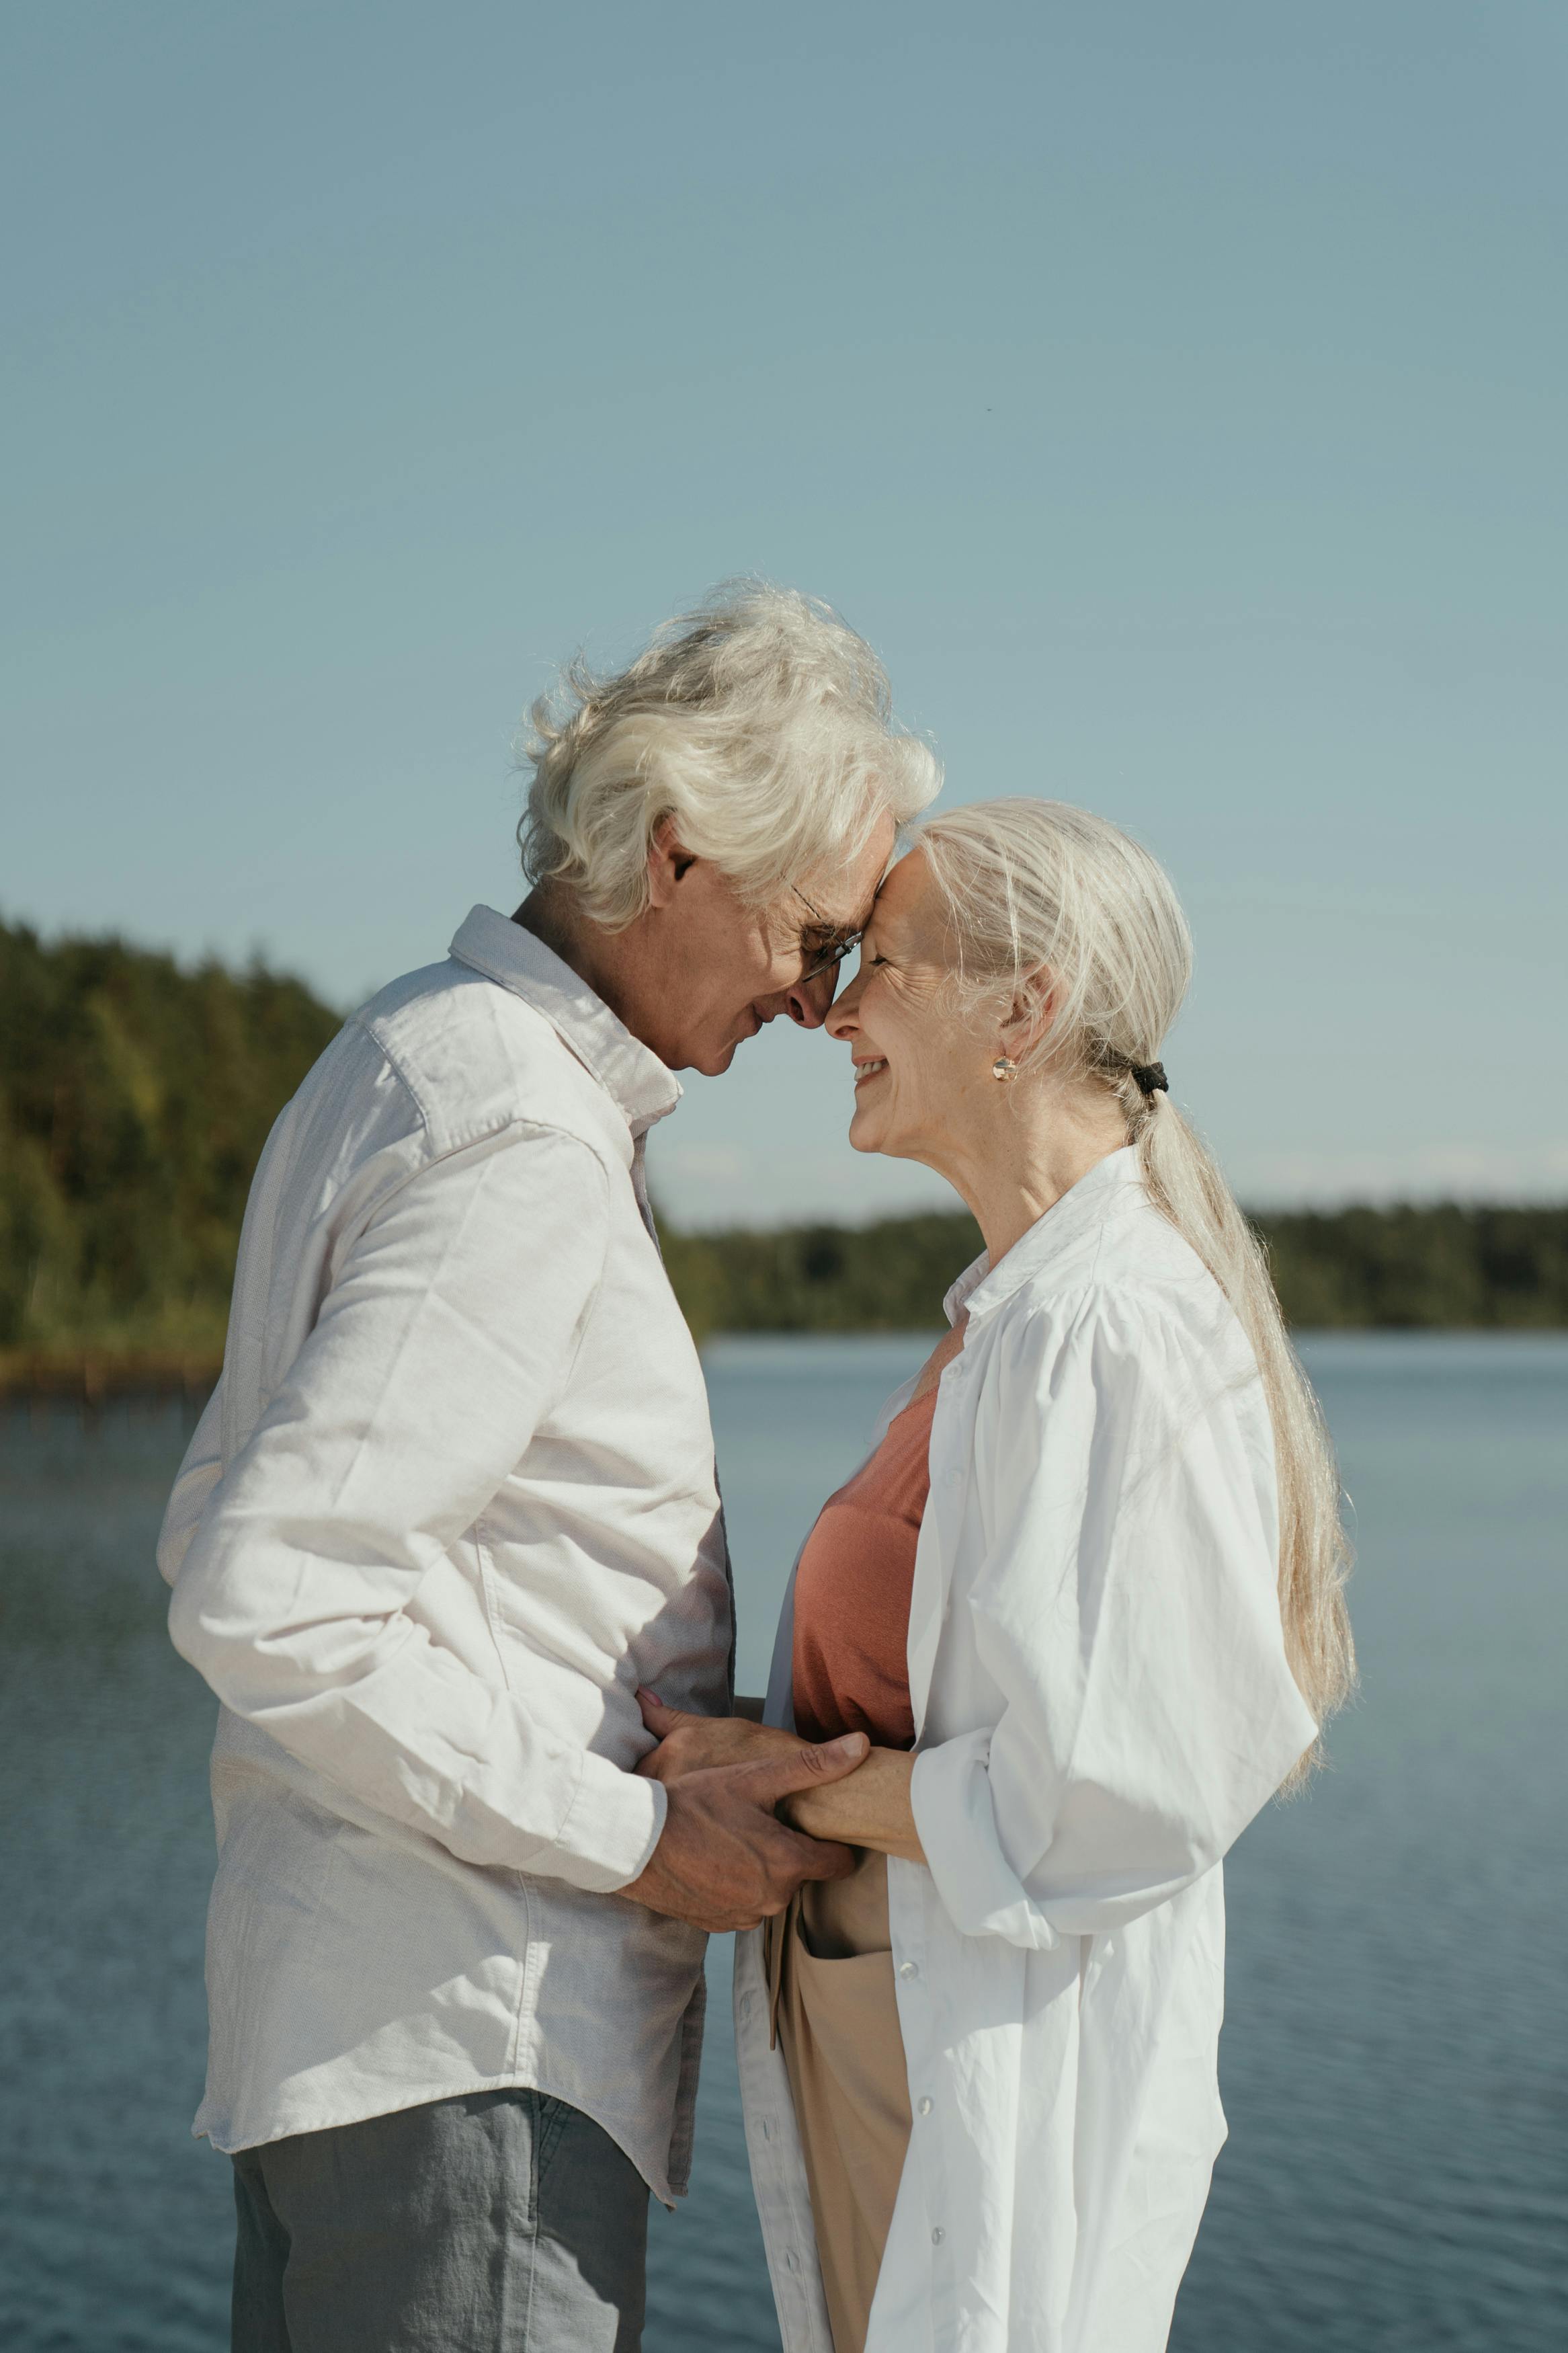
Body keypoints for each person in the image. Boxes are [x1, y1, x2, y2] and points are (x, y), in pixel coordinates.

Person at [156, 582, 939, 2353]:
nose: (818, 1003)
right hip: (473, 2065)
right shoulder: (514, 1124)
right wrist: (644, 1832)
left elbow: (218, 1517)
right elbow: (263, 1589)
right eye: (812, 937)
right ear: (673, 854)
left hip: (351, 2053)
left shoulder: (401, 1052)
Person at [636, 798, 1357, 2353]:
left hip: (983, 2068)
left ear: (1025, 1008)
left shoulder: (1106, 1330)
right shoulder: (1018, 1319)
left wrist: (784, 1781)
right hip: (902, 2028)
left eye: (880, 961)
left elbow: (1104, 1803)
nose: (831, 1008)